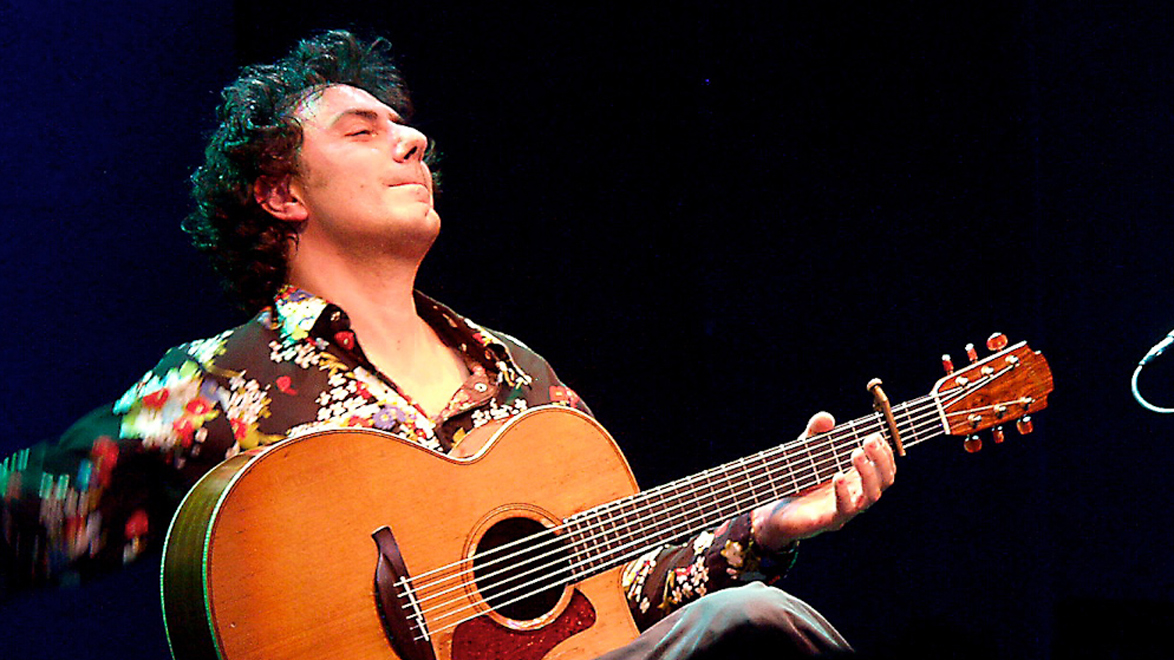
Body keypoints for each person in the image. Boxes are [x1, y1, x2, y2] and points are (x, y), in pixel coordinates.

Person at [0, 30, 895, 658]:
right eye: (364, 132)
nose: (415, 140)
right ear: (281, 195)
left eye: (407, 130)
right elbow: (36, 516)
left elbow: (619, 601)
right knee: (757, 621)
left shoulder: (518, 375)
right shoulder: (233, 377)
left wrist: (761, 527)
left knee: (753, 619)